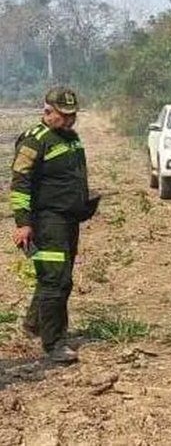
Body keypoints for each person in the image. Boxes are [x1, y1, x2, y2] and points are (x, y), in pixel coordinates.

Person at [10, 87, 96, 363]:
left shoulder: (71, 137)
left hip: (69, 220)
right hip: (47, 222)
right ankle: (54, 343)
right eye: (64, 115)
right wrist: (23, 223)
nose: (70, 121)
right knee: (55, 281)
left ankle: (34, 324)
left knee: (58, 278)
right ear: (48, 111)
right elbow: (20, 184)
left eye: (73, 116)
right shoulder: (34, 140)